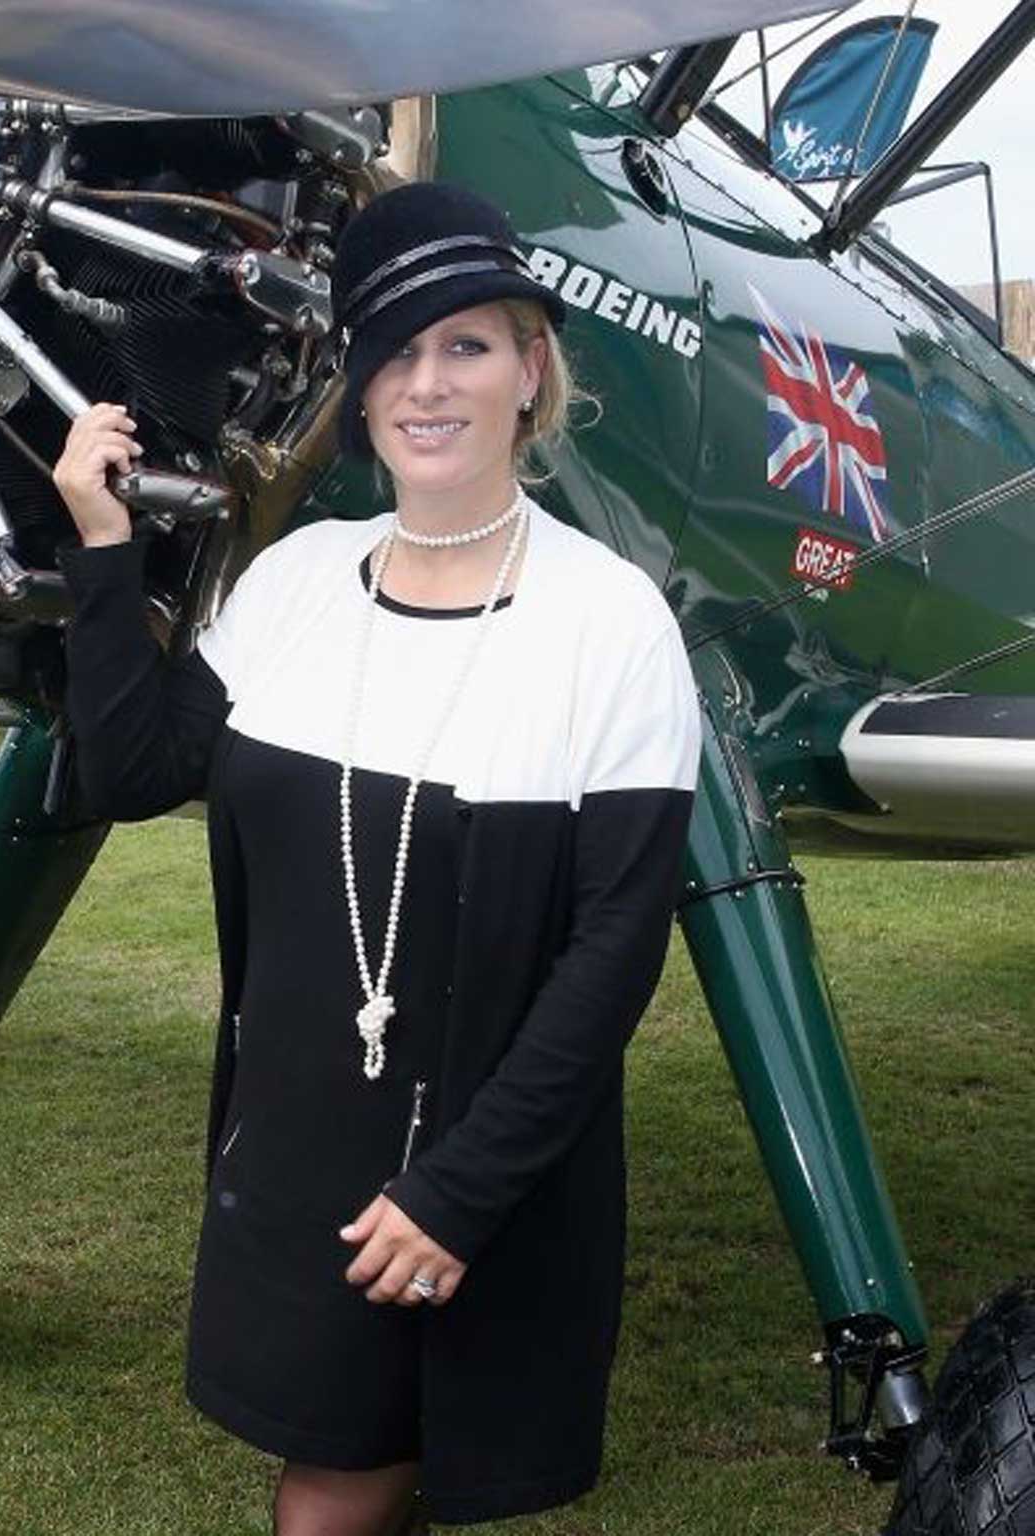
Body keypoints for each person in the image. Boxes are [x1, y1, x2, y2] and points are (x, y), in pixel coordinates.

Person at [53, 181, 700, 1533]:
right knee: (333, 1465)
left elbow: (614, 952)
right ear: (356, 390)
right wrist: (105, 554)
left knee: (332, 1500)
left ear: (531, 370)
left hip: (474, 1164)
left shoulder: (611, 619)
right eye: (394, 354)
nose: (427, 385)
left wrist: (458, 1197)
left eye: (465, 345)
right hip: (295, 1144)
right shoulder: (296, 583)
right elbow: (131, 769)